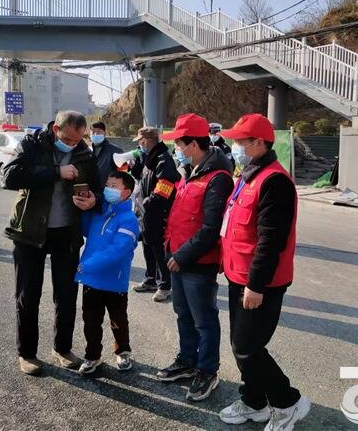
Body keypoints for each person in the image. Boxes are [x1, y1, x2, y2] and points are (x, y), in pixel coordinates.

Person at [218, 114, 311, 430]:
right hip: (238, 275)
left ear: (258, 143)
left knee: (247, 348)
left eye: (239, 141)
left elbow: (271, 240)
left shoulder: (274, 181)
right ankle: (254, 401)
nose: (235, 146)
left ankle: (288, 402)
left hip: (260, 283)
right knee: (242, 345)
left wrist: (256, 285)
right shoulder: (248, 175)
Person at [3, 111, 101, 375]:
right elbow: (8, 176)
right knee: (28, 295)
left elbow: (98, 188)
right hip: (29, 232)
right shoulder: (32, 145)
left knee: (67, 295)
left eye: (77, 140)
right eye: (68, 139)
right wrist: (56, 172)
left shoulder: (84, 153)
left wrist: (93, 200)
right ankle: (27, 354)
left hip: (66, 233)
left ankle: (63, 348)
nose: (72, 144)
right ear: (56, 129)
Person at [155, 114, 234, 402]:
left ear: (192, 144)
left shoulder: (218, 178)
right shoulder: (191, 172)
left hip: (197, 262)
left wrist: (183, 255)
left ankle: (207, 370)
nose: (176, 148)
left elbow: (211, 228)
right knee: (183, 314)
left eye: (179, 143)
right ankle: (187, 360)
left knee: (204, 320)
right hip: (177, 257)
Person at [75, 171, 140, 375]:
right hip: (92, 280)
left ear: (126, 192)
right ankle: (92, 355)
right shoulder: (101, 211)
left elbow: (117, 251)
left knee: (118, 320)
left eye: (114, 186)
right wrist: (86, 208)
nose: (108, 189)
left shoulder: (129, 219)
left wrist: (87, 265)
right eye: (107, 184)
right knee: (91, 321)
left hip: (114, 280)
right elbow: (86, 230)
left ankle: (123, 351)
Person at [130, 127, 180, 302]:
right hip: (146, 213)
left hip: (157, 212)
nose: (139, 144)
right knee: (147, 246)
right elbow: (142, 177)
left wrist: (146, 203)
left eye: (140, 141)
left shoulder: (163, 159)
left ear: (146, 141)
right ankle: (151, 278)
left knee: (158, 249)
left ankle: (165, 285)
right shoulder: (150, 157)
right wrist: (135, 166)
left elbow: (164, 188)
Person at [90, 121, 124, 186]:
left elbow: (122, 173)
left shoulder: (116, 151)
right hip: (90, 189)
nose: (95, 134)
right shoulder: (87, 150)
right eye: (93, 132)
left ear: (105, 133)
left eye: (99, 132)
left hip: (108, 188)